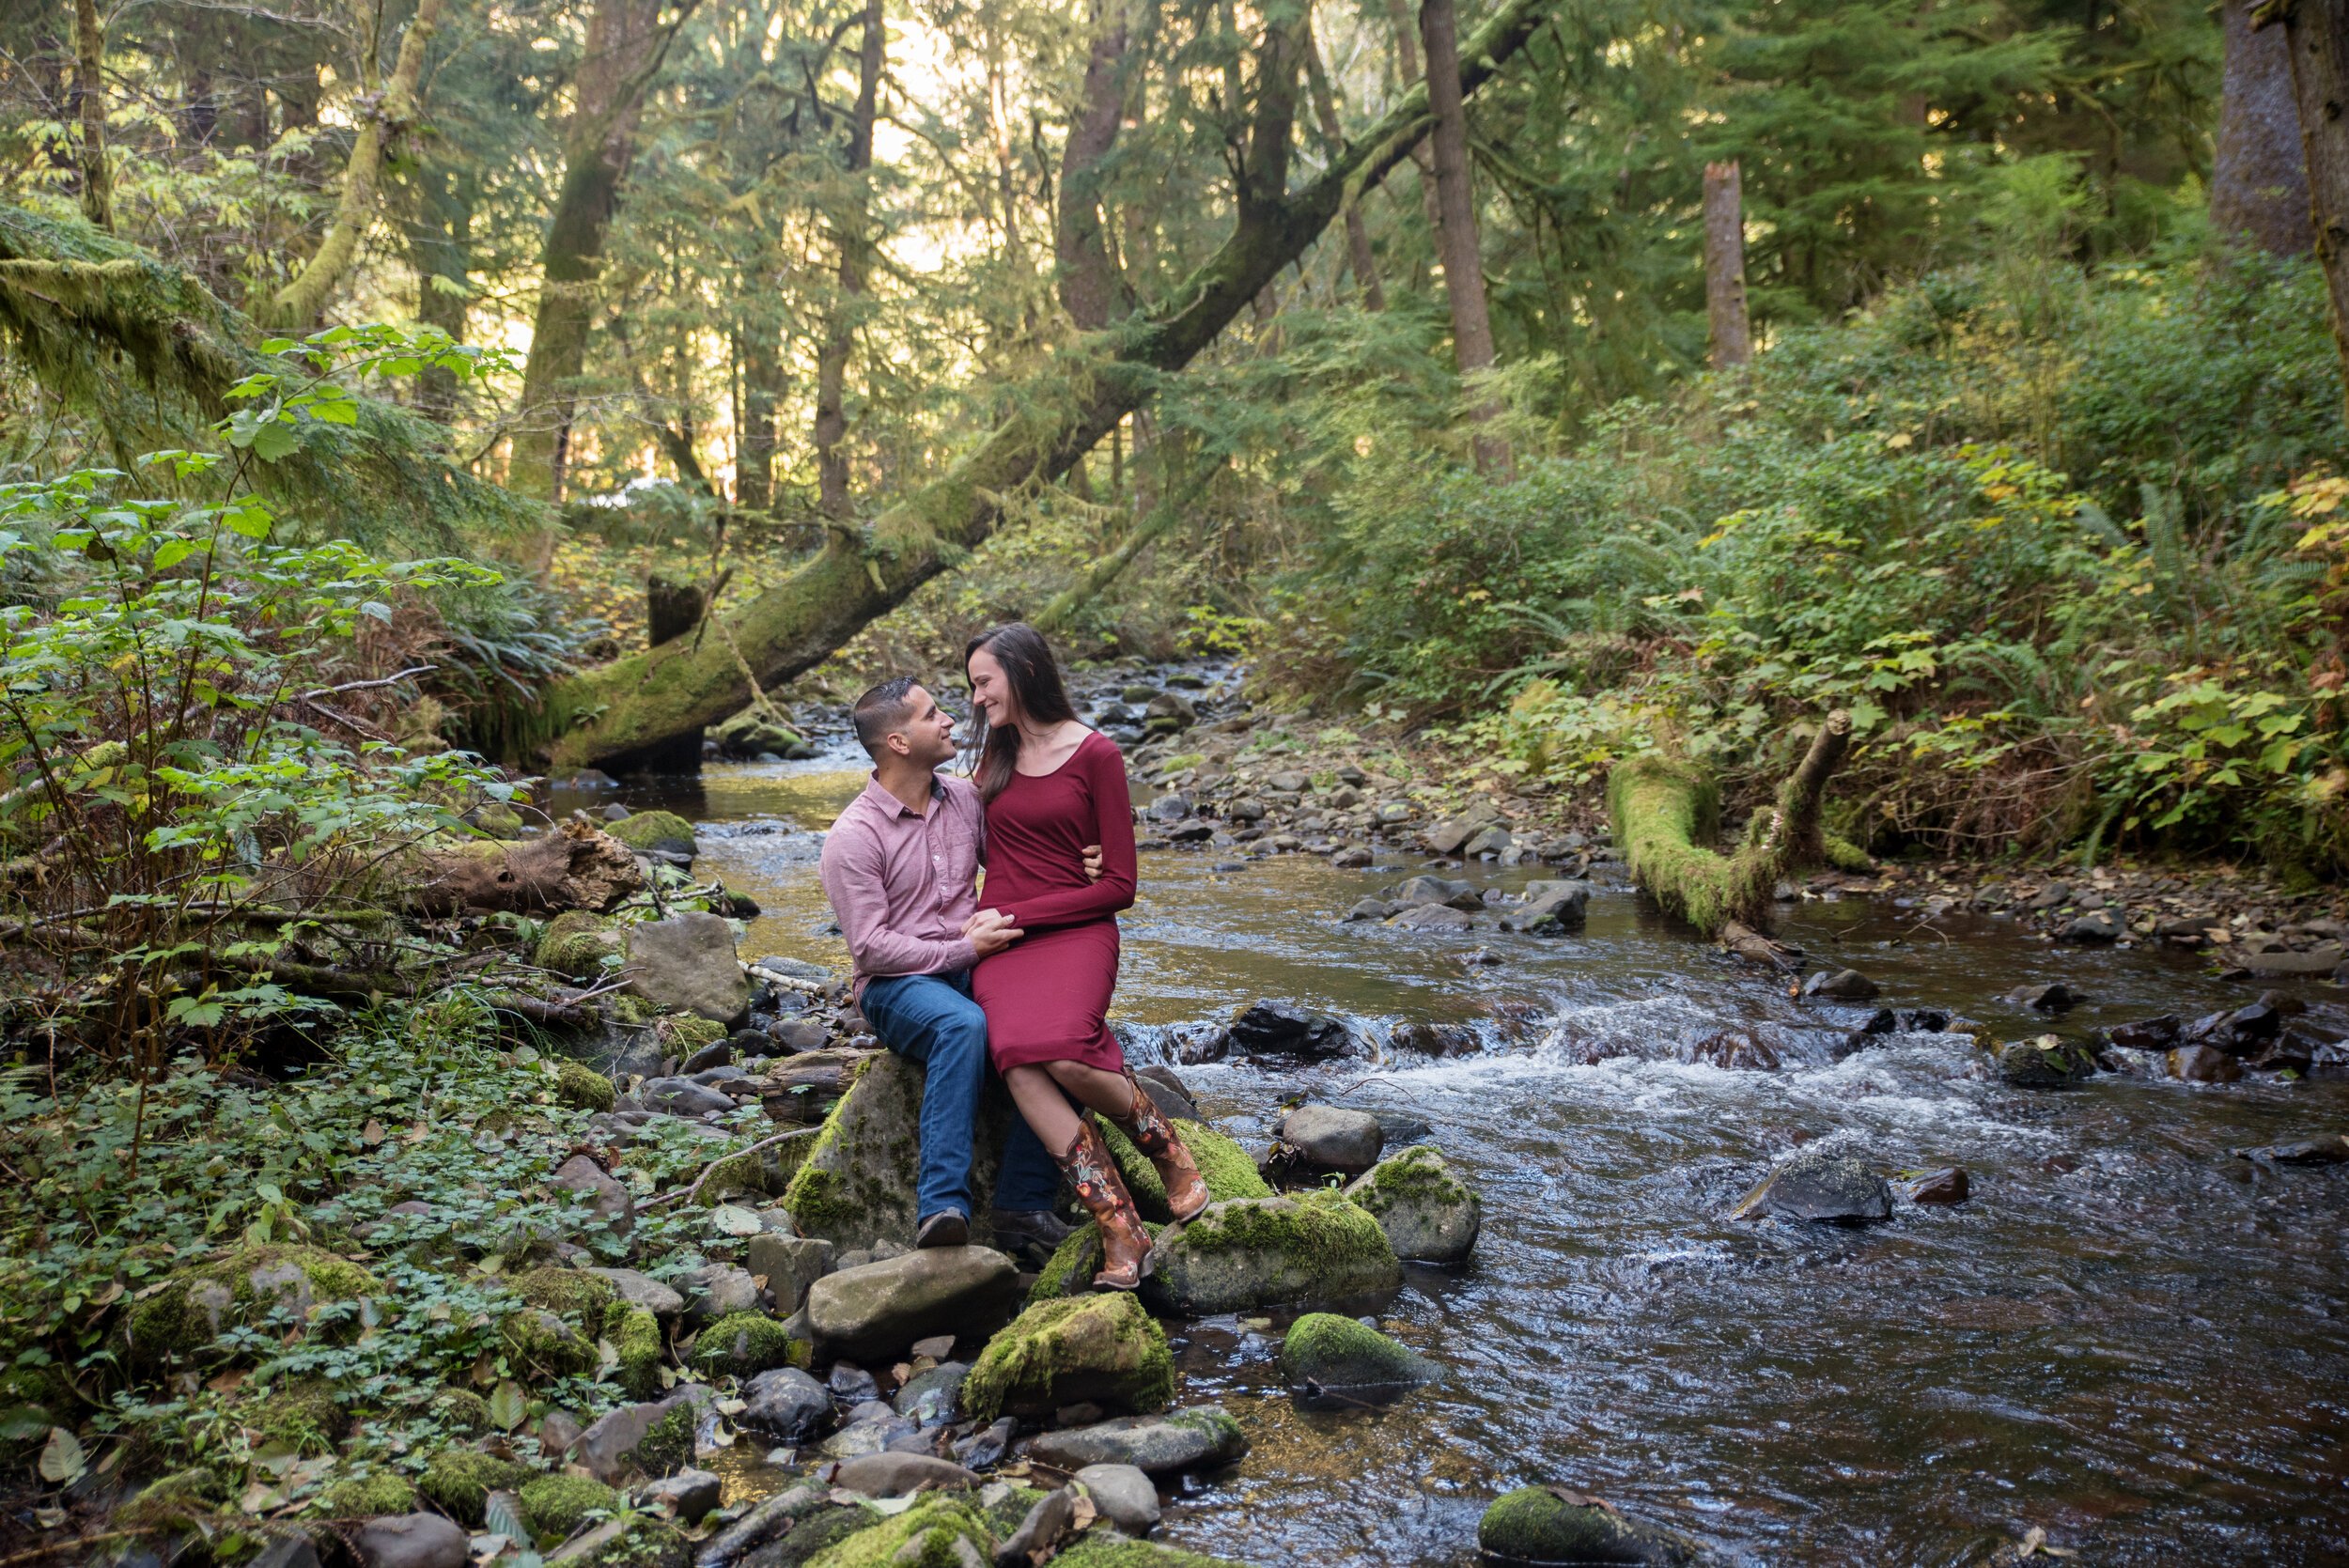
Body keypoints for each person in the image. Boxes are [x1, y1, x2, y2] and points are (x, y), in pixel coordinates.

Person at [965, 623, 1208, 1292]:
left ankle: (1168, 1151)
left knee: (1066, 1052)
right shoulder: (993, 757)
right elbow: (983, 848)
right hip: (1004, 943)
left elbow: (1119, 887)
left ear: (1022, 671)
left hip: (1074, 928)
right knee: (1018, 1058)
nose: (977, 695)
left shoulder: (1097, 754)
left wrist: (1026, 906)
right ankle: (1116, 1220)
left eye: (984, 681)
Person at [817, 675, 1073, 1262]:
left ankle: (1022, 1208)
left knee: (1060, 1029)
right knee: (963, 1026)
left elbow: (1022, 861)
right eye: (934, 714)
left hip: (973, 966)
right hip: (896, 986)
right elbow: (871, 949)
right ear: (899, 743)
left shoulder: (966, 799)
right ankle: (943, 1208)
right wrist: (965, 951)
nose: (951, 720)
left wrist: (1087, 855)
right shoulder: (853, 837)